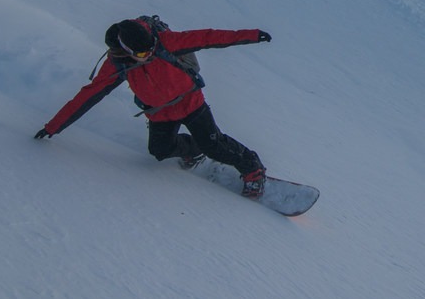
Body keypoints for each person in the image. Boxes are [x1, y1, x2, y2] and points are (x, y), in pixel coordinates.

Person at [36, 17, 273, 196]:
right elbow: (87, 97)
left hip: (190, 101)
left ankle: (252, 168)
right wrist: (53, 127)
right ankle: (193, 150)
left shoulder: (165, 43)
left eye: (150, 48)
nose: (149, 53)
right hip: (159, 112)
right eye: (142, 52)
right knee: (160, 151)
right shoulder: (116, 65)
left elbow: (210, 37)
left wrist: (252, 35)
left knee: (214, 143)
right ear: (126, 50)